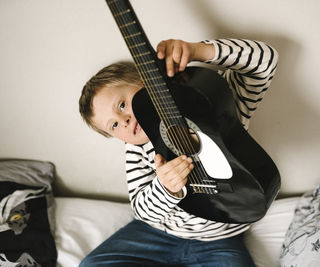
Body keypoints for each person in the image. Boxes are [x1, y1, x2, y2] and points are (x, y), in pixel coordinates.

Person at [78, 38, 278, 266]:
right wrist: (165, 189)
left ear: (146, 83)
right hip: (159, 234)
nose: (123, 122)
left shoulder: (214, 105)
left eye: (122, 105)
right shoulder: (136, 147)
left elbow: (265, 60)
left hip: (220, 237)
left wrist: (198, 51)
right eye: (113, 126)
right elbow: (142, 210)